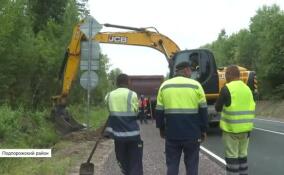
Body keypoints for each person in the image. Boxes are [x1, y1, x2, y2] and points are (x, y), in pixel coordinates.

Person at [155, 61, 208, 175]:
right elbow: (203, 110)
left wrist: (161, 129)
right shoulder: (196, 85)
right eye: (190, 70)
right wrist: (203, 130)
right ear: (185, 70)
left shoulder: (165, 86)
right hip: (192, 134)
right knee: (192, 165)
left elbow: (159, 111)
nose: (191, 73)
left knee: (172, 165)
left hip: (172, 134)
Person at [215, 65, 255, 175]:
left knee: (232, 158)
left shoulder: (227, 88)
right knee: (243, 156)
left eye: (226, 75)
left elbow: (217, 107)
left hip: (231, 130)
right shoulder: (247, 89)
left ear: (228, 75)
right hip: (246, 130)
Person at [105, 74, 143, 175]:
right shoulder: (132, 94)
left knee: (123, 161)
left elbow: (110, 111)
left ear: (117, 83)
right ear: (128, 82)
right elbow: (136, 112)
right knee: (135, 163)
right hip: (133, 135)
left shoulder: (109, 95)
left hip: (118, 136)